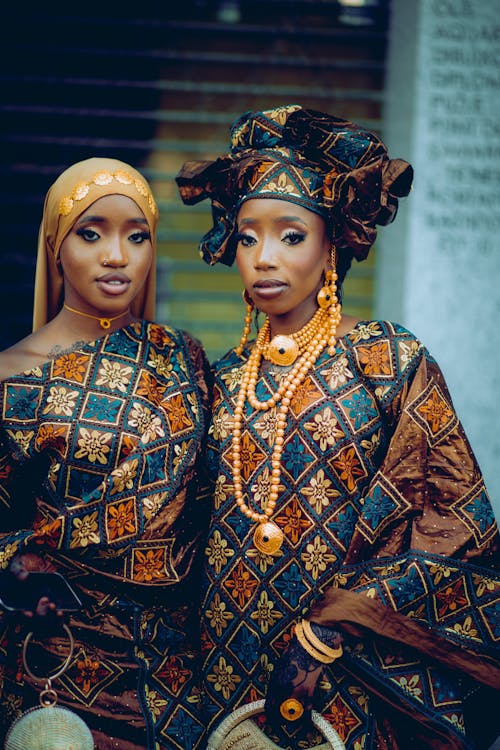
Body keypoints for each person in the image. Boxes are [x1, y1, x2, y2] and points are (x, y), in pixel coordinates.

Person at [176, 105, 500, 749]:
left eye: (290, 235)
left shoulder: (388, 363)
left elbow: (458, 523)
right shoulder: (218, 380)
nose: (264, 257)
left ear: (331, 242)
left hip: (346, 680)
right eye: (246, 236)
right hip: (223, 678)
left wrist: (337, 626)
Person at [0, 157, 212, 750]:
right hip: (58, 664)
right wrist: (17, 565)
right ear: (55, 245)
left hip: (174, 677)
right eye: (91, 233)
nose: (117, 256)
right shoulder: (11, 379)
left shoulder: (181, 358)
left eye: (136, 235)